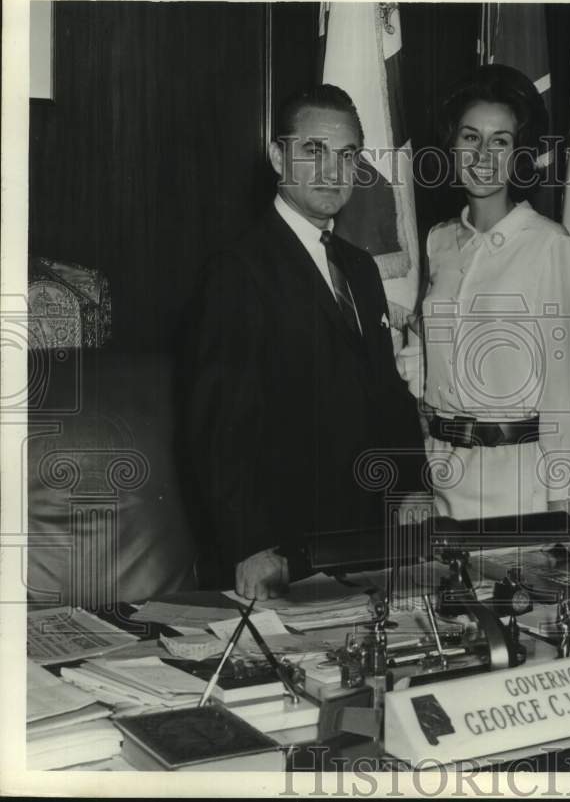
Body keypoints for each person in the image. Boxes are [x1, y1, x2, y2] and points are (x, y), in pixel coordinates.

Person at [178, 84, 426, 598]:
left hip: (365, 544)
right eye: (314, 151)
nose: (334, 172)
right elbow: (220, 425)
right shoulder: (238, 269)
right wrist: (248, 546)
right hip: (282, 552)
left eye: (348, 155)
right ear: (277, 155)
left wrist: (411, 486)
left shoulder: (359, 268)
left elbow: (384, 390)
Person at [397, 64, 570, 521]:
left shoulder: (550, 245)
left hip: (517, 485)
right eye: (470, 137)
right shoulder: (436, 241)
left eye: (500, 140)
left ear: (518, 153)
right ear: (452, 147)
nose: (483, 154)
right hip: (441, 476)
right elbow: (424, 361)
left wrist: (562, 501)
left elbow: (562, 395)